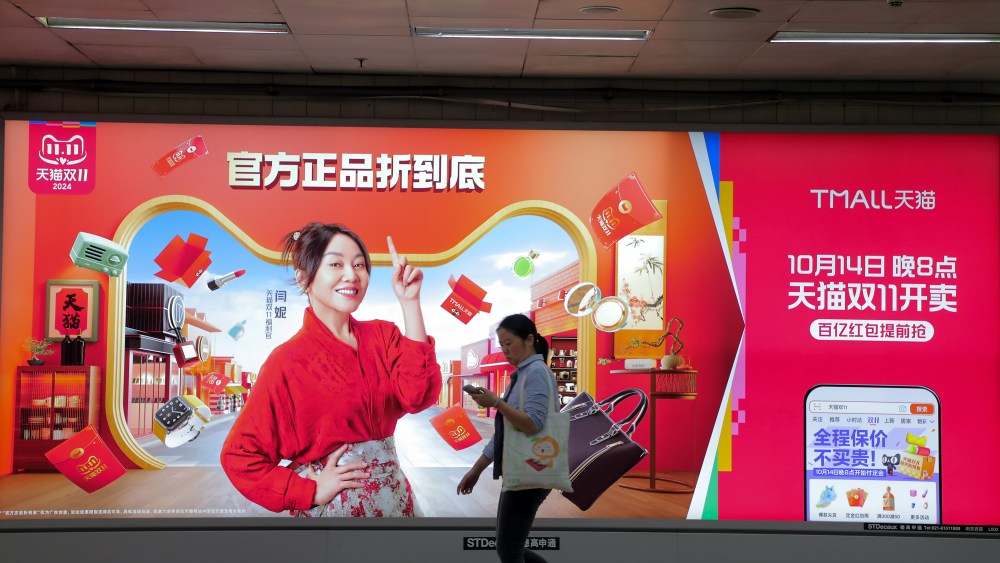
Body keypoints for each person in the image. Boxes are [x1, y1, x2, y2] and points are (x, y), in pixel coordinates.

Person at [221, 222, 442, 517]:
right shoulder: (286, 361)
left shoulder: (383, 336)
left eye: (360, 264)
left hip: (396, 501)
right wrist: (308, 491)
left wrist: (410, 302)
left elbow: (417, 396)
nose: (351, 274)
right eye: (336, 263)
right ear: (303, 279)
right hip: (334, 512)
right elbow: (239, 455)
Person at [458, 313, 555, 563]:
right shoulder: (522, 375)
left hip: (531, 473)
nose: (504, 351)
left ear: (530, 339)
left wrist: (497, 403)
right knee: (511, 547)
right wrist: (476, 470)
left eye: (509, 343)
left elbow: (533, 424)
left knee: (510, 549)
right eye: (501, 345)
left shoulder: (535, 373)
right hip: (524, 470)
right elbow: (505, 433)